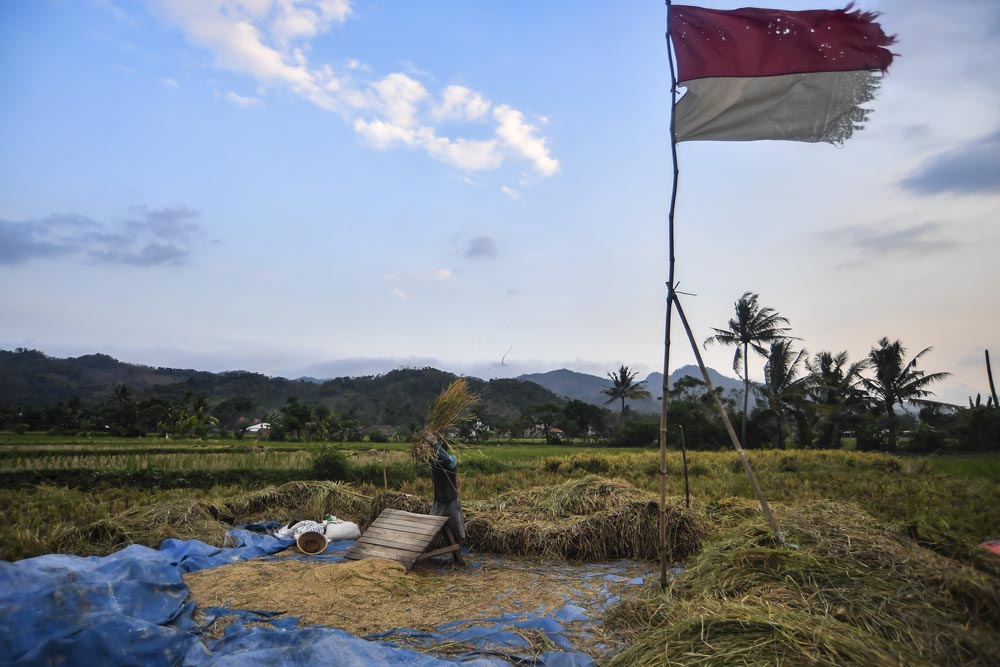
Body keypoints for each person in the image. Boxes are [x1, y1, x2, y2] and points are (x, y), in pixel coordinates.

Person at [429, 438, 466, 566]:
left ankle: (457, 556)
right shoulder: (433, 462)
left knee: (458, 529)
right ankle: (426, 553)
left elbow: (446, 459)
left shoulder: (451, 460)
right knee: (430, 530)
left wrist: (434, 444)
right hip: (439, 501)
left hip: (452, 501)